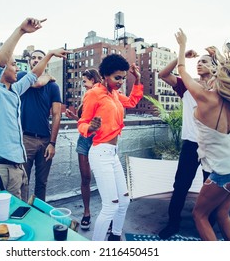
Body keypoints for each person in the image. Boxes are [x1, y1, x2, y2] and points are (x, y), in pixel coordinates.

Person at [175, 28, 230, 240]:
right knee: (223, 214)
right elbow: (227, 72)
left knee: (200, 215)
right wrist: (219, 58)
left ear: (220, 79)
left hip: (225, 170)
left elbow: (182, 69)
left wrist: (181, 45)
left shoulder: (206, 98)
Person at [0, 17, 47, 201]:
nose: (18, 68)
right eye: (14, 64)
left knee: (20, 217)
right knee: (4, 224)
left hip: (18, 168)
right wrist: (21, 30)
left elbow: (33, 76)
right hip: (1, 169)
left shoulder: (14, 90)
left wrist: (50, 55)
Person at [78, 54, 144, 241]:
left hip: (113, 154)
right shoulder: (94, 94)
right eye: (117, 77)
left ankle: (114, 237)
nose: (121, 82)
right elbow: (82, 122)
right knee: (110, 206)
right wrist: (89, 128)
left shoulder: (114, 94)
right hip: (100, 153)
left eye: (123, 78)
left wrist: (137, 80)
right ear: (105, 75)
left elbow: (131, 102)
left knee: (123, 201)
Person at [157, 50, 214, 239]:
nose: (199, 63)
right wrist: (180, 57)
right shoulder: (187, 86)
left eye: (205, 61)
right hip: (191, 145)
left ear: (215, 68)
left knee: (212, 188)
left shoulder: (220, 88)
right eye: (198, 61)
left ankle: (209, 225)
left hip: (213, 146)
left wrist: (220, 56)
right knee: (180, 186)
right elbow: (163, 75)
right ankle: (173, 224)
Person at [17, 48, 70, 201]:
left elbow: (56, 114)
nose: (36, 60)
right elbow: (37, 83)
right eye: (34, 58)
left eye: (40, 58)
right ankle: (23, 213)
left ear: (45, 63)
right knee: (22, 181)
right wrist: (46, 76)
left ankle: (39, 214)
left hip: (45, 140)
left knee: (42, 183)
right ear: (29, 61)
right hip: (26, 139)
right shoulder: (22, 77)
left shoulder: (53, 87)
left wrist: (52, 143)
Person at [65, 69, 102, 230]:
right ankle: (86, 212)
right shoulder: (86, 96)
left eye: (85, 81)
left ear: (93, 80)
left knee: (102, 179)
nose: (83, 84)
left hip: (99, 141)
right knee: (85, 178)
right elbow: (85, 121)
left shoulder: (102, 94)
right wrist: (75, 118)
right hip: (84, 141)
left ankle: (108, 215)